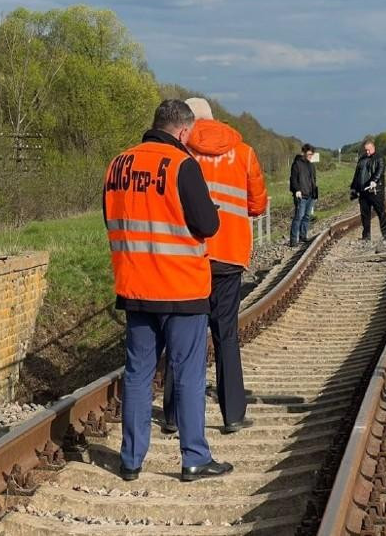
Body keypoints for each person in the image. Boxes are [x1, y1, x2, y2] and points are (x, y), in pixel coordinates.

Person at [103, 99, 233, 482]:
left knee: (138, 374)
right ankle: (194, 458)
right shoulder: (182, 165)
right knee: (189, 374)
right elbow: (207, 225)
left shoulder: (118, 164)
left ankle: (130, 460)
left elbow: (111, 217)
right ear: (182, 131)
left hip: (136, 289)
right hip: (181, 289)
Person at [160, 97, 267, 434]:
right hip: (230, 256)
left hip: (190, 255)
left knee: (182, 335)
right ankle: (233, 413)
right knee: (227, 335)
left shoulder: (179, 149)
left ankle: (173, 417)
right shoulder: (244, 151)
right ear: (214, 118)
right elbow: (258, 203)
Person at [350, 140, 386, 243]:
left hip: (375, 191)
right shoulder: (362, 159)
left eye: (369, 150)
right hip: (363, 191)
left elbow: (380, 171)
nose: (367, 152)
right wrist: (353, 188)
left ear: (373, 148)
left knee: (381, 213)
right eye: (366, 150)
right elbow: (357, 175)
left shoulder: (379, 158)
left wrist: (374, 181)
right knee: (365, 214)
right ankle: (366, 236)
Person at [289, 144, 318, 246]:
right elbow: (293, 179)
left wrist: (315, 194)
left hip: (310, 195)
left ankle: (303, 236)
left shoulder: (311, 165)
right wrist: (296, 190)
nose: (310, 156)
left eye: (312, 154)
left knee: (306, 216)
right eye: (309, 154)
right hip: (301, 195)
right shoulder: (297, 164)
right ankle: (293, 240)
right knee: (299, 216)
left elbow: (313, 180)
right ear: (304, 153)